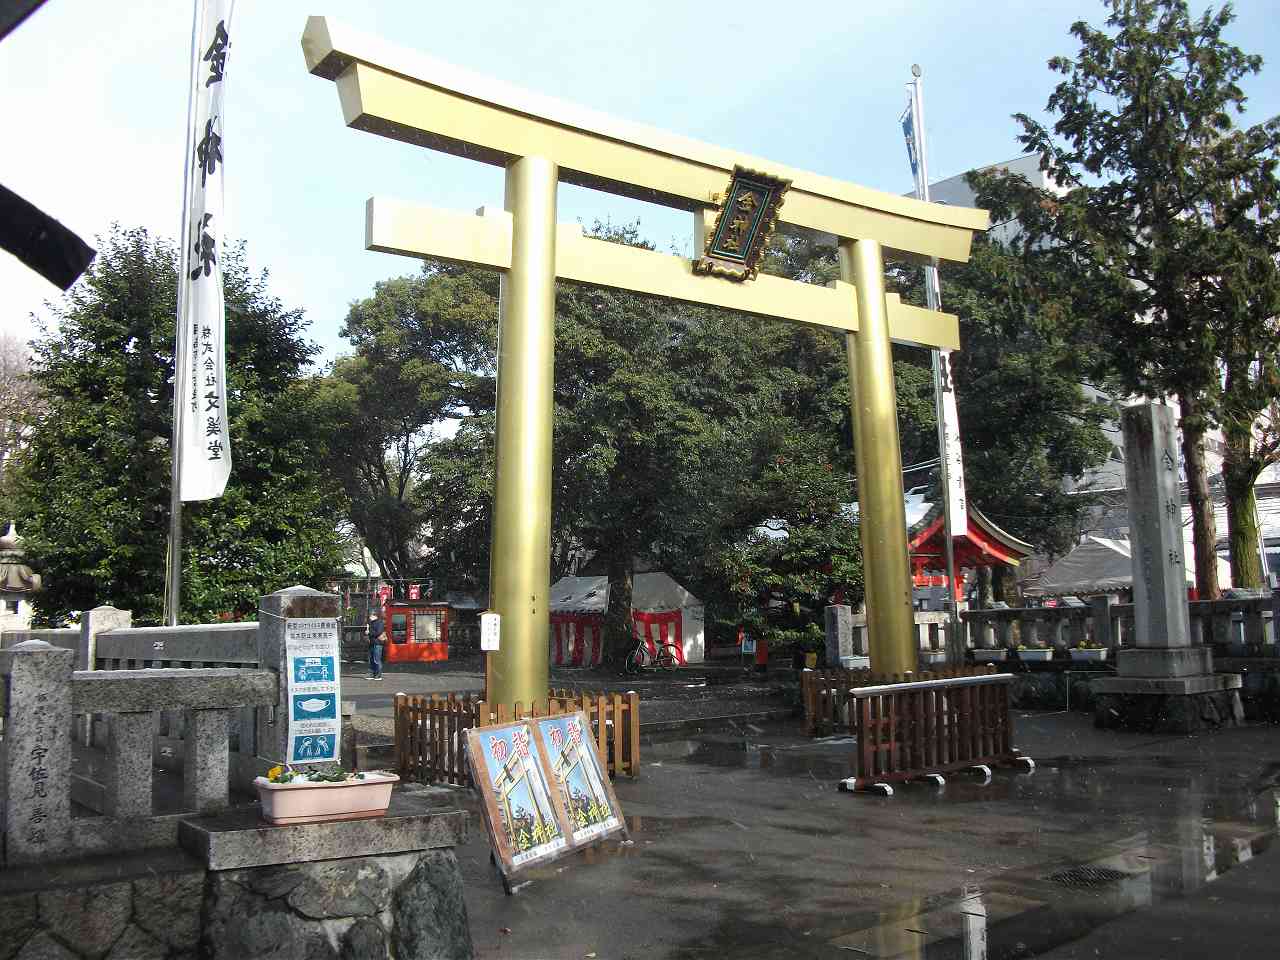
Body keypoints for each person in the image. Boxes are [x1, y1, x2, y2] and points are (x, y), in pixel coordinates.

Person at [367, 612, 385, 680]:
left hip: (378, 643)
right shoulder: (371, 623)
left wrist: (369, 633)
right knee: (371, 659)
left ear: (375, 616)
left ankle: (378, 675)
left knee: (376, 659)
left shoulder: (380, 622)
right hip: (372, 643)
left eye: (370, 616)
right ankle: (372, 674)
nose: (369, 617)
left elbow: (378, 632)